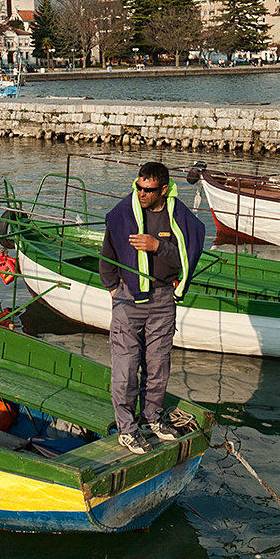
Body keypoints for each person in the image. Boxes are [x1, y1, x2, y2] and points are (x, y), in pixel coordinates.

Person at [99, 161, 206, 455]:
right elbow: (107, 257)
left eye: (148, 190)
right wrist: (114, 290)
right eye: (139, 187)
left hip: (162, 299)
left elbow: (185, 258)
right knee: (126, 365)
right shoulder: (123, 215)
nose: (142, 194)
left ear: (162, 189)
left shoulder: (179, 217)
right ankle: (127, 429)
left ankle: (152, 419)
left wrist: (157, 247)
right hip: (127, 299)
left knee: (158, 365)